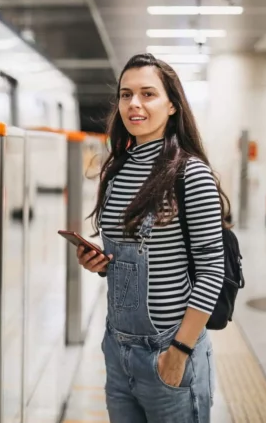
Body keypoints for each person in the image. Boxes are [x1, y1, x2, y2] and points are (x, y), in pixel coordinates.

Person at [76, 53, 229, 422]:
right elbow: (134, 256)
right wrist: (99, 263)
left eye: (148, 94)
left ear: (172, 104)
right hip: (118, 348)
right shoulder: (117, 169)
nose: (134, 104)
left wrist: (178, 351)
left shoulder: (190, 174)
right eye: (126, 95)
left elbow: (212, 269)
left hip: (168, 349)